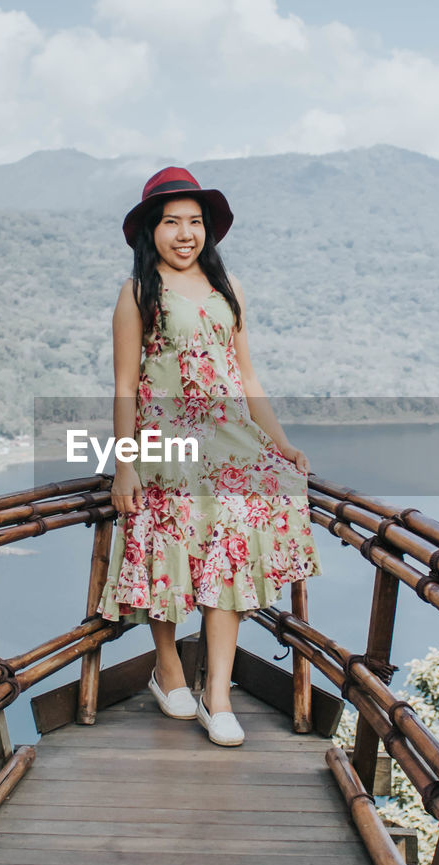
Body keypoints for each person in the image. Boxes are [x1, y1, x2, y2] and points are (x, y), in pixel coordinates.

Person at [97, 166, 323, 746]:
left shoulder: (229, 289)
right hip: (165, 442)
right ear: (151, 231)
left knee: (232, 543)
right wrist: (125, 464)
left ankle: (216, 694)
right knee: (169, 549)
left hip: (228, 437)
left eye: (194, 222)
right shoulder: (139, 292)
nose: (184, 234)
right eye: (171, 222)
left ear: (208, 231)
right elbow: (126, 384)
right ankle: (168, 668)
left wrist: (281, 444)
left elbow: (247, 375)